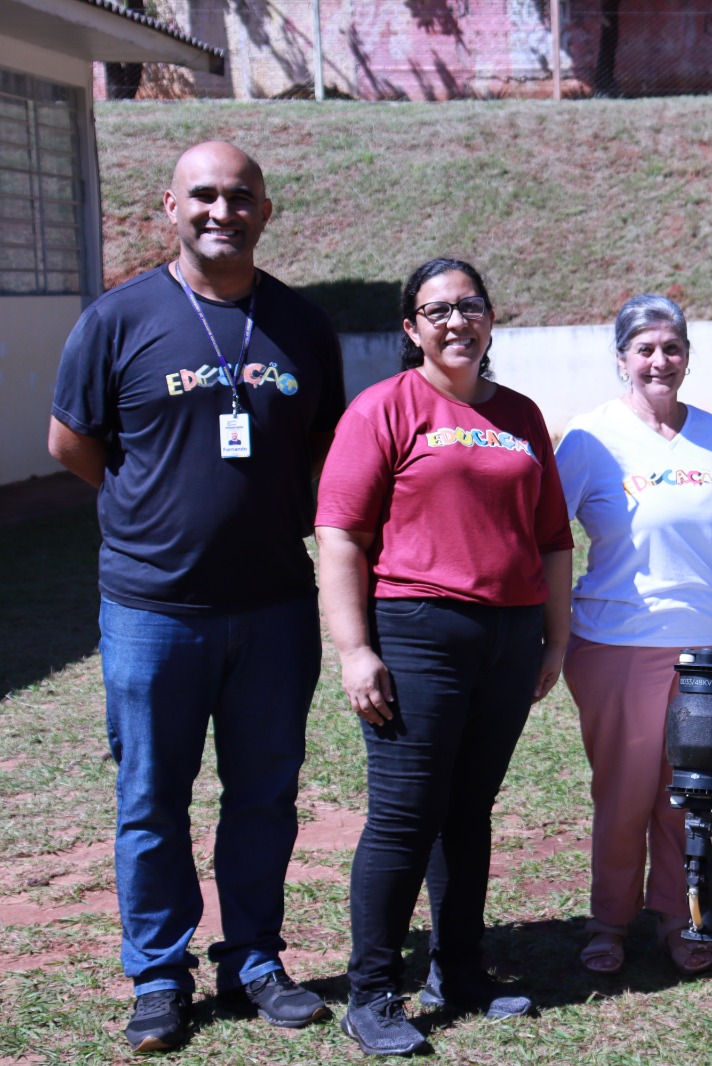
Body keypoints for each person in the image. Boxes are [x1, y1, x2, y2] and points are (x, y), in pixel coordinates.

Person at [47, 141, 343, 1051]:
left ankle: (253, 959)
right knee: (151, 800)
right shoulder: (119, 318)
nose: (224, 211)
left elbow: (324, 450)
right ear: (170, 207)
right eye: (204, 195)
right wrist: (152, 514)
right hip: (153, 611)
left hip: (275, 607)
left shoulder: (301, 325)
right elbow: (71, 442)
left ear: (266, 210)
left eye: (241, 196)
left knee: (264, 794)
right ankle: (159, 975)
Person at [315, 258, 573, 1055]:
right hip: (418, 633)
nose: (457, 321)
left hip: (510, 636)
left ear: (490, 317)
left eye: (470, 305)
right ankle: (371, 994)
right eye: (438, 311)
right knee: (405, 815)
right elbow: (340, 534)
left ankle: (458, 971)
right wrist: (355, 650)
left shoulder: (521, 415)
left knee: (469, 812)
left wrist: (555, 639)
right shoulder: (384, 408)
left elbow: (553, 539)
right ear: (411, 327)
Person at [557, 294, 712, 976]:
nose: (660, 360)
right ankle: (610, 922)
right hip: (619, 644)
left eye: (672, 347)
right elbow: (548, 540)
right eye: (645, 348)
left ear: (687, 355)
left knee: (693, 797)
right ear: (622, 357)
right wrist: (548, 633)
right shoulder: (589, 438)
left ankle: (684, 917)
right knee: (624, 796)